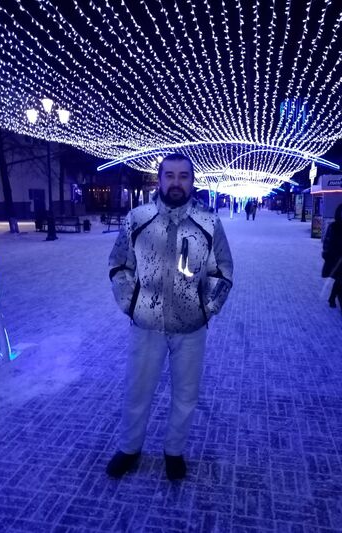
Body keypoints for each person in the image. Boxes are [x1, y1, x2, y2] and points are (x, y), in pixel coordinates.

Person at [107, 153, 233, 481]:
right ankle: (129, 448)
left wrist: (206, 308)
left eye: (183, 176)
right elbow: (119, 264)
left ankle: (174, 451)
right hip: (146, 324)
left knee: (186, 393)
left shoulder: (208, 223)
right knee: (137, 389)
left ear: (192, 181)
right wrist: (131, 304)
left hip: (190, 328)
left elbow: (222, 270)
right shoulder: (138, 219)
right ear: (160, 179)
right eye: (170, 175)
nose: (176, 182)